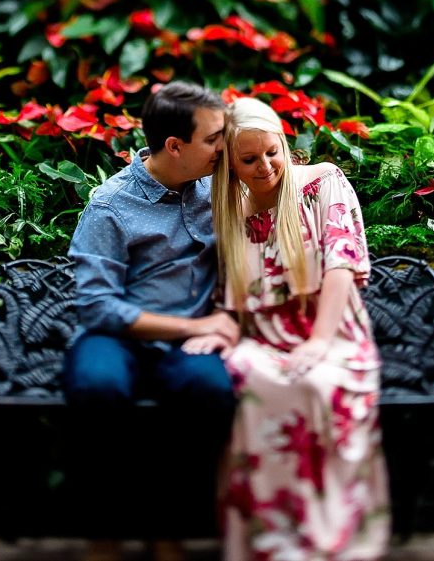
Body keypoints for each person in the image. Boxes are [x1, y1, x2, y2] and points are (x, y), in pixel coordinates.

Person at [63, 81, 240, 561]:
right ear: (174, 146)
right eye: (213, 139)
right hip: (115, 335)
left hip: (188, 343)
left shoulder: (216, 191)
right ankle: (104, 531)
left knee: (211, 390)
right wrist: (196, 327)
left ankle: (168, 529)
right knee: (97, 386)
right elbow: (96, 306)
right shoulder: (111, 204)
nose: (223, 147)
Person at [207, 97, 391, 560]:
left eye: (272, 151)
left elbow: (340, 266)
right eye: (248, 159)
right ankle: (271, 536)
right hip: (264, 339)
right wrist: (218, 331)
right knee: (246, 376)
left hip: (334, 333)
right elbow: (233, 299)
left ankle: (327, 536)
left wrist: (321, 341)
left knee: (316, 380)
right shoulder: (233, 212)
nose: (265, 165)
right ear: (230, 165)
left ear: (283, 143)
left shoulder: (324, 182)